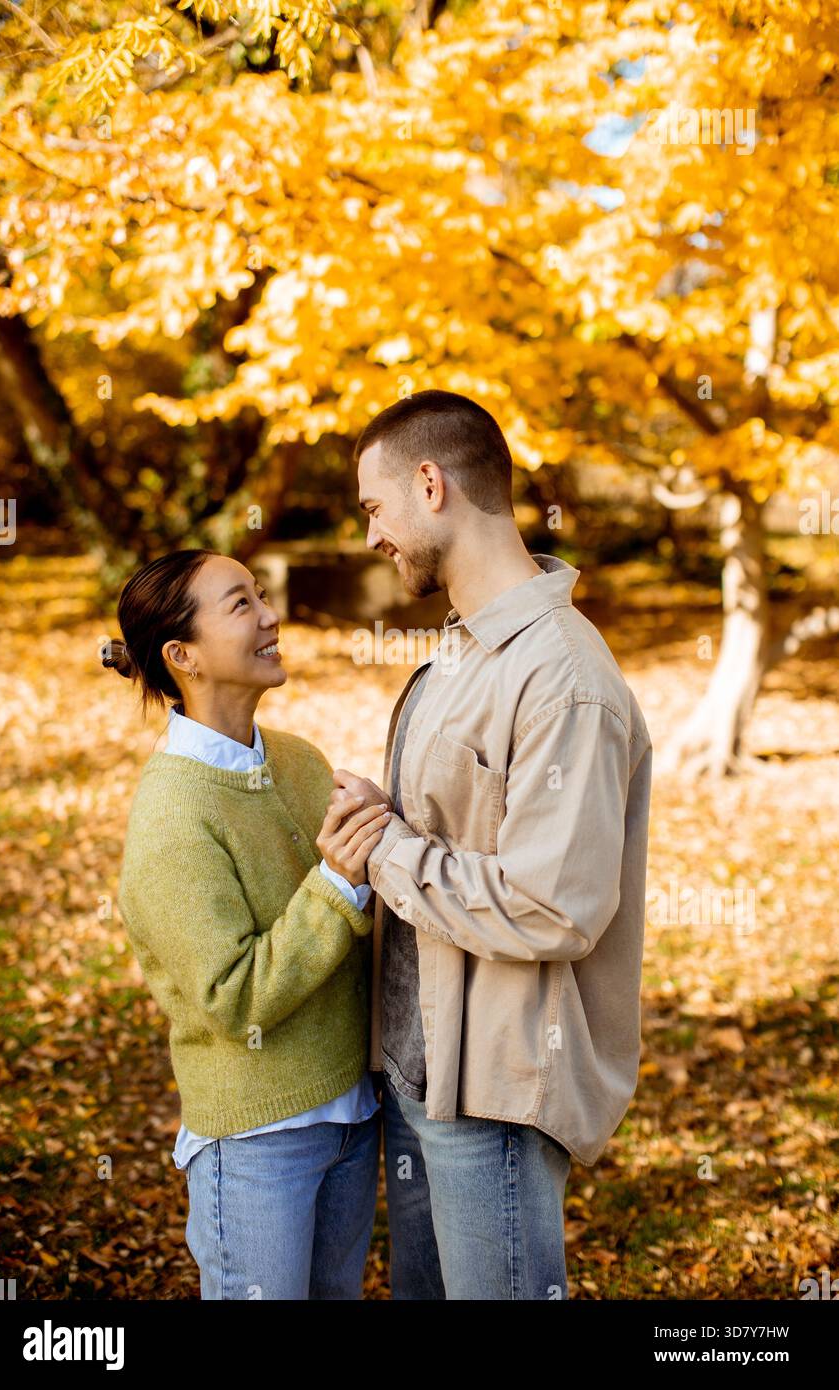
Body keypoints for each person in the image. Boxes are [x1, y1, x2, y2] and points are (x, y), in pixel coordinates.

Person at [330, 389, 653, 1300]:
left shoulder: (564, 677)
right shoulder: (463, 652)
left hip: (494, 1094)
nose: (370, 537)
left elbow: (555, 905)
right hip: (418, 1075)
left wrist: (385, 847)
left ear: (429, 484)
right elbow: (454, 831)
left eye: (374, 508)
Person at [103, 548, 388, 1299]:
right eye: (241, 604)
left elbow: (356, 921)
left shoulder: (298, 761)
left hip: (353, 1119)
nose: (270, 616)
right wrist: (337, 884)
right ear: (183, 655)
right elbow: (234, 997)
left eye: (261, 596)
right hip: (258, 1146)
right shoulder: (172, 817)